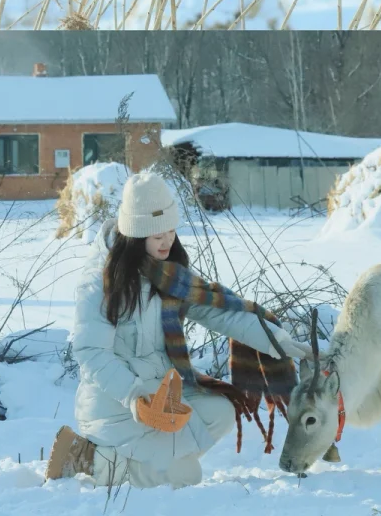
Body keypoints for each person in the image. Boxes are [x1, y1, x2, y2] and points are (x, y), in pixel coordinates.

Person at [46, 169, 310, 489]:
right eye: (157, 235)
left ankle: (156, 462)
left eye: (171, 231)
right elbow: (91, 352)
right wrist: (134, 397)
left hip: (162, 395)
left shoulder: (169, 273)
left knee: (222, 410)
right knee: (187, 476)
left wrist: (274, 339)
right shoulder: (102, 282)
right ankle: (85, 458)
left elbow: (218, 312)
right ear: (135, 235)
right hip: (115, 406)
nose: (167, 241)